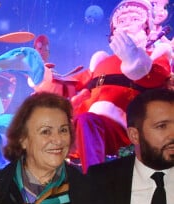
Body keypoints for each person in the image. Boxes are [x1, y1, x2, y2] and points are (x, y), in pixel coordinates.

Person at [71, 0, 171, 172]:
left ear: (146, 26)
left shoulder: (155, 57)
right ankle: (94, 178)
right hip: (93, 127)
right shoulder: (101, 62)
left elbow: (155, 77)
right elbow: (75, 84)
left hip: (133, 128)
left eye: (134, 19)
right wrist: (40, 75)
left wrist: (135, 61)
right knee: (79, 120)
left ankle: (96, 179)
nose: (127, 25)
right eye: (122, 21)